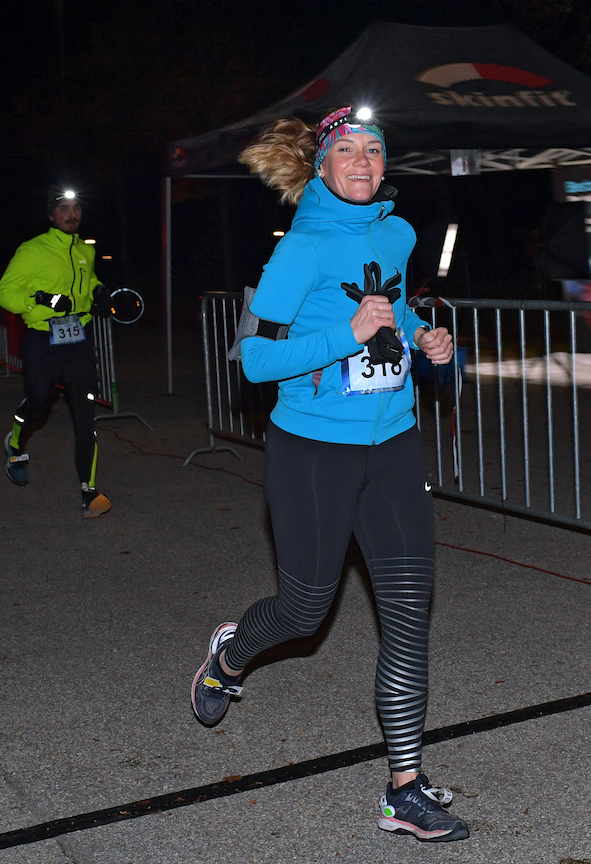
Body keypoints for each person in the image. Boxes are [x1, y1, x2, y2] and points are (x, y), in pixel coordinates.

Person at [189, 107, 467, 842]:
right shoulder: (300, 252)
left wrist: (427, 340)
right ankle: (229, 655)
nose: (365, 161)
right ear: (322, 165)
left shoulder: (398, 234)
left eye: (375, 149)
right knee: (305, 612)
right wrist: (344, 334)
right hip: (313, 453)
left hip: (396, 447)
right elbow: (251, 360)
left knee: (409, 622)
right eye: (349, 150)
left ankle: (404, 788)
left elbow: (397, 309)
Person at [0, 188, 113, 518]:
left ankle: (89, 493)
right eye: (64, 208)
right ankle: (15, 445)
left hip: (78, 340)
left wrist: (98, 289)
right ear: (51, 215)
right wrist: (41, 300)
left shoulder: (83, 250)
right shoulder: (32, 250)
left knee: (84, 413)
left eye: (76, 208)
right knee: (38, 404)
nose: (72, 214)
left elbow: (87, 281)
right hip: (43, 341)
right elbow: (4, 294)